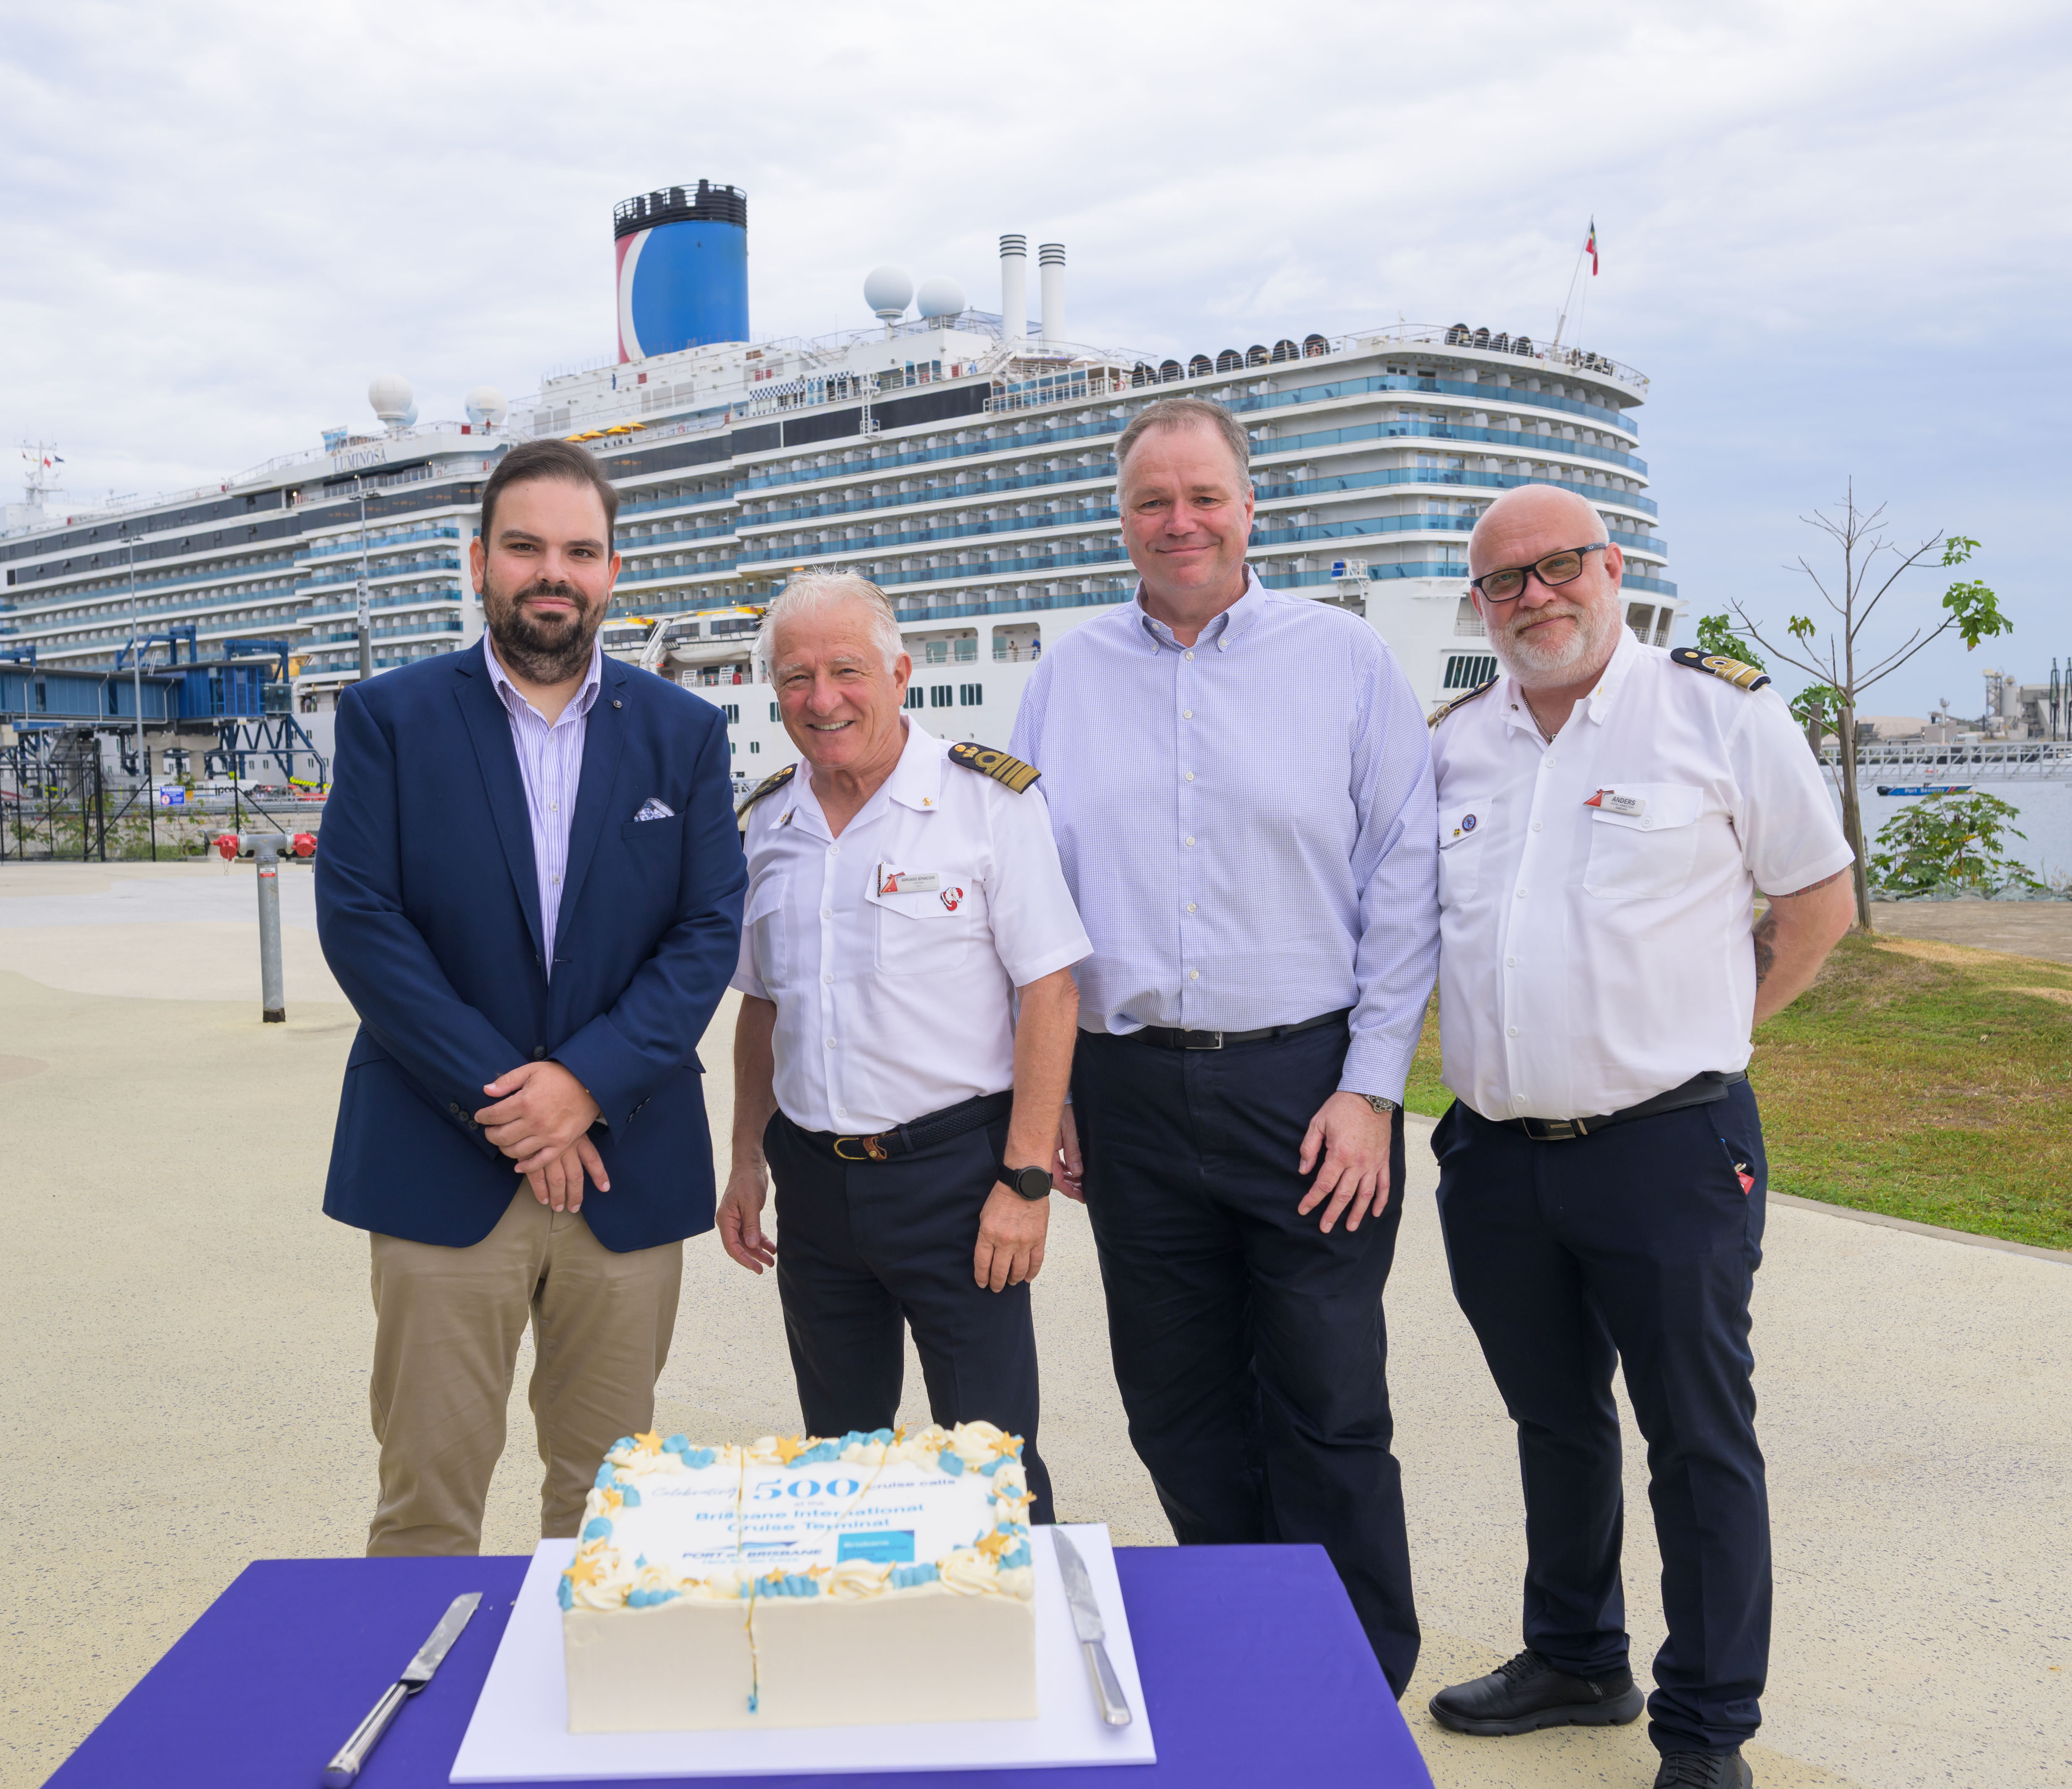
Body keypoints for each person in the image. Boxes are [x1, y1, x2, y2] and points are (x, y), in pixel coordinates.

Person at [1420, 483, 1854, 1789]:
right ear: (1478, 604)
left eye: (1557, 568)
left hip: (1667, 1146)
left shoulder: (1716, 714)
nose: (1534, 596)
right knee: (1550, 1421)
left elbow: (1815, 902)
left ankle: (1705, 1731)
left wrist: (1713, 1031)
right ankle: (1572, 1656)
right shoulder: (1453, 748)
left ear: (1610, 569)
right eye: (1503, 581)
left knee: (1696, 1440)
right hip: (1493, 1154)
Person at [1006, 396, 1436, 1693]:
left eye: (1202, 496)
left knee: (1327, 1394)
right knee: (1177, 1400)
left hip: (1305, 1083)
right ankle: (1254, 1649)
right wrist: (1061, 1086)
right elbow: (1029, 892)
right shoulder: (1064, 676)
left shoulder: (1346, 662)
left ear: (1252, 506)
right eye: (1151, 500)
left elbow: (1404, 878)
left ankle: (1357, 1672)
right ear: (1121, 518)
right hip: (1128, 1087)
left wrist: (1371, 1088)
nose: (1178, 522)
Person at [317, 438, 745, 1556]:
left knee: (607, 1507)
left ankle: (584, 1720)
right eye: (524, 548)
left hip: (625, 1159)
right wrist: (520, 1102)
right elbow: (363, 925)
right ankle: (419, 1719)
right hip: (439, 1158)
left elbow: (706, 934)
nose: (551, 572)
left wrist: (585, 1085)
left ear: (612, 571)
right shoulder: (389, 720)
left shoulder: (683, 733)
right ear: (478, 563)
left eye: (578, 551)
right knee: (425, 1501)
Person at [715, 572, 1089, 1520]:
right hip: (814, 1183)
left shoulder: (986, 802)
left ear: (900, 673)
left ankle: (1018, 1655)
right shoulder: (768, 822)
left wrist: (1026, 1180)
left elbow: (1050, 990)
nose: (821, 697)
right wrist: (745, 1160)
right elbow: (761, 1006)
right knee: (838, 1469)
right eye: (795, 677)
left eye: (846, 669)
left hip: (957, 1179)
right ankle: (863, 1652)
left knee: (991, 1461)